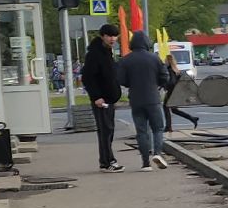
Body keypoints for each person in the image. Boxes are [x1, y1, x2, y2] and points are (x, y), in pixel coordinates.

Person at [117, 30, 170, 171]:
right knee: (158, 128)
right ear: (147, 43)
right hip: (153, 98)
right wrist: (158, 84)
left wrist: (132, 84)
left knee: (141, 132)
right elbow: (165, 76)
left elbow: (121, 79)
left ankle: (145, 163)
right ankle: (157, 153)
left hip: (135, 99)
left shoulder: (125, 60)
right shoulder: (154, 58)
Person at [82, 24, 124, 173]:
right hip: (101, 100)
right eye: (109, 35)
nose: (113, 38)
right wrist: (96, 97)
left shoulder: (108, 52)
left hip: (109, 98)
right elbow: (87, 77)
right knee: (105, 130)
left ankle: (105, 161)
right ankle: (108, 161)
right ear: (103, 36)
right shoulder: (95, 54)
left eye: (115, 36)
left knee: (109, 130)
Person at [161, 48, 198, 131]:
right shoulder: (176, 70)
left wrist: (165, 85)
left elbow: (172, 82)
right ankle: (192, 118)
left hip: (171, 93)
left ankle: (168, 127)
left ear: (168, 61)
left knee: (166, 107)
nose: (165, 62)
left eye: (166, 60)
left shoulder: (170, 70)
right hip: (175, 93)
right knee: (174, 110)